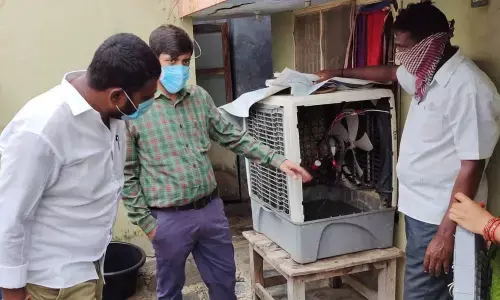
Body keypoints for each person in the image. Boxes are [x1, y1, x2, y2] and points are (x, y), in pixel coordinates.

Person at [316, 2, 500, 300]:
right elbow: (390, 72)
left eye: (405, 47)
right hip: (419, 209)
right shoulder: (426, 72)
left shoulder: (468, 88)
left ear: (431, 45)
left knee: (422, 294)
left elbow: (472, 166)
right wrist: (337, 73)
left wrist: (444, 234)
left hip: (442, 217)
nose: (401, 56)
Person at [121, 24, 312, 300]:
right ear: (154, 62)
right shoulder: (138, 108)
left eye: (185, 62)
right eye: (171, 62)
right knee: (170, 292)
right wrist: (147, 224)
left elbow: (231, 136)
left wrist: (277, 160)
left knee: (224, 286)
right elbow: (127, 174)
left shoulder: (199, 98)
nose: (180, 68)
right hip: (168, 219)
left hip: (210, 211)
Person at [0, 33, 161, 300]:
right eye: (145, 99)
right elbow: (8, 216)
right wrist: (14, 294)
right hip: (49, 284)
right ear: (117, 96)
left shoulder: (111, 115)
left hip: (89, 268)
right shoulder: (42, 129)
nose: (148, 106)